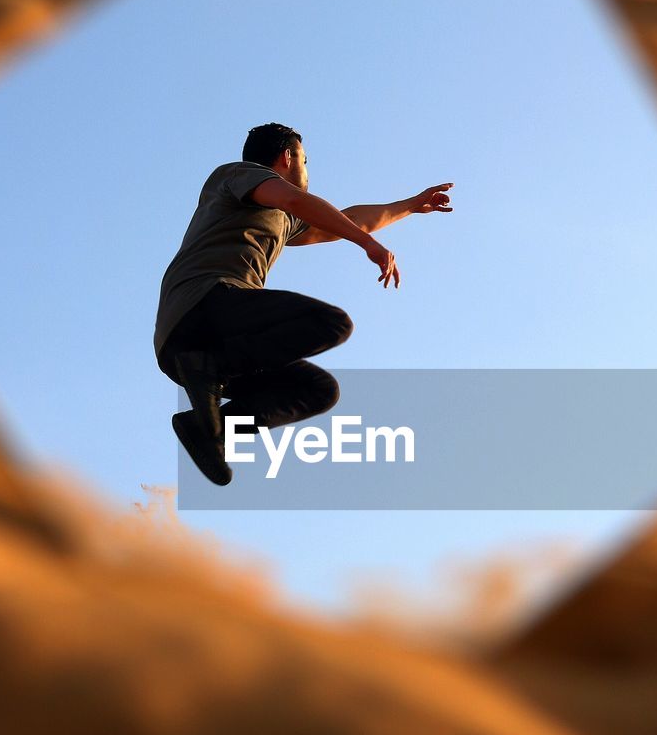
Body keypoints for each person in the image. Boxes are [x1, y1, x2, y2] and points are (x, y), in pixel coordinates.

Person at [155, 122, 452, 484]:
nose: (307, 172)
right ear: (289, 156)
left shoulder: (282, 217)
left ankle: (209, 428)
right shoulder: (239, 175)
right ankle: (208, 370)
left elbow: (346, 219)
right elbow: (296, 199)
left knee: (318, 390)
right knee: (331, 324)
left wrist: (408, 206)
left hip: (199, 348)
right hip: (202, 307)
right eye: (306, 161)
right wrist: (366, 245)